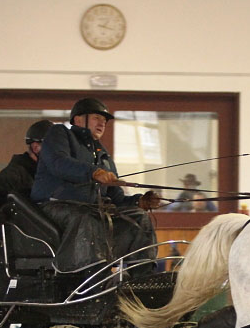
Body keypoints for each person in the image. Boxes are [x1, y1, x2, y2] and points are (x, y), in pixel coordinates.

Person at [30, 97, 160, 272]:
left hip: (90, 211)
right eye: (96, 118)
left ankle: (141, 277)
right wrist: (92, 172)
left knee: (139, 217)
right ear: (78, 119)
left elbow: (116, 197)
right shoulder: (59, 134)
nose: (102, 123)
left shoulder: (103, 156)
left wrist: (138, 202)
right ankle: (93, 276)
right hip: (53, 206)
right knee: (87, 218)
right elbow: (58, 163)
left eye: (105, 121)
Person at [0, 119, 54, 301]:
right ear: (36, 148)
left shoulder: (47, 175)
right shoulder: (18, 171)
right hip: (9, 252)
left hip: (34, 252)